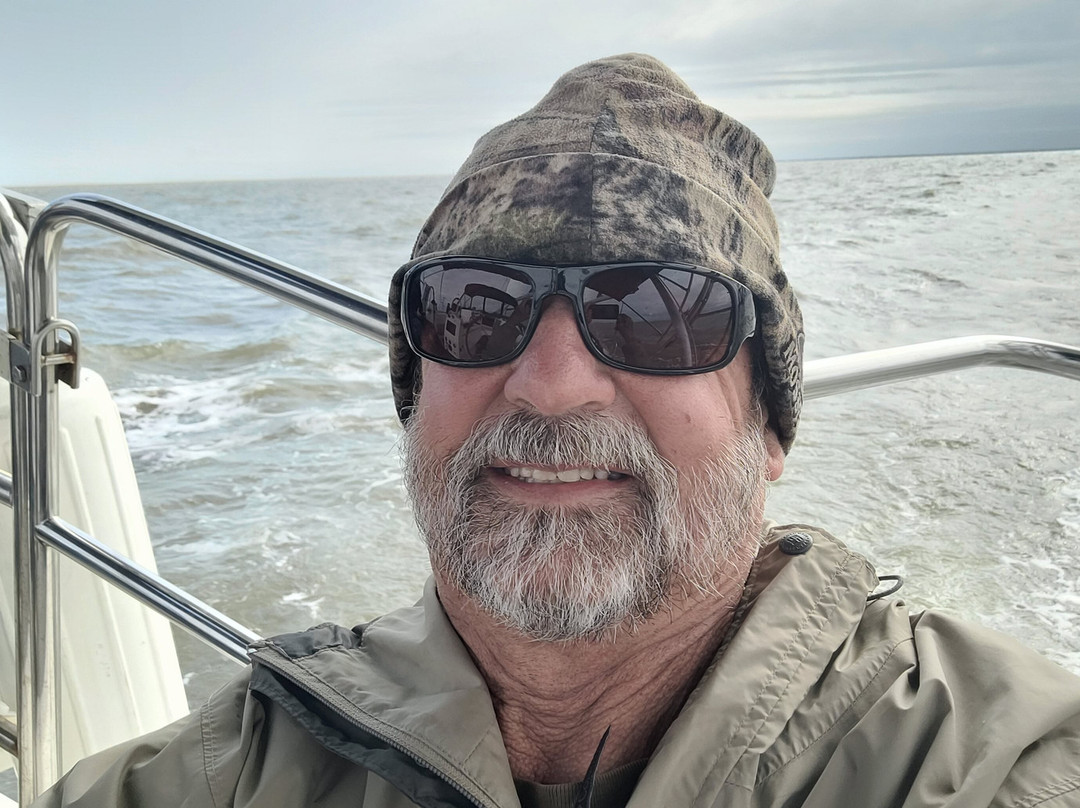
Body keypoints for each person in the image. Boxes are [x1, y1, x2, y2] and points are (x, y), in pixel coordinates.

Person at [33, 53, 1080, 808]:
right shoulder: (229, 774)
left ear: (769, 423)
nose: (551, 386)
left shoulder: (980, 764)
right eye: (475, 308)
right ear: (418, 394)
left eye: (661, 312)